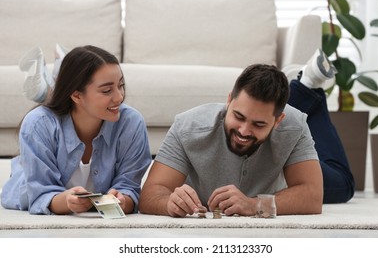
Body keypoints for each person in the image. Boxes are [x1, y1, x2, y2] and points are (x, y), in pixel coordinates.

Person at [139, 49, 355, 217]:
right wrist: (168, 203)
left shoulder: (294, 124)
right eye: (238, 117)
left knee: (344, 185)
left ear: (278, 120)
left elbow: (313, 197)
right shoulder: (188, 127)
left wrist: (254, 205)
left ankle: (307, 87)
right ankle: (306, 85)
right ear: (229, 99)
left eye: (258, 124)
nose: (243, 131)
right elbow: (150, 194)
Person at [1, 45, 152, 215]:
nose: (119, 97)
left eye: (121, 85)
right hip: (27, 186)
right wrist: (66, 202)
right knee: (46, 114)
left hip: (71, 100)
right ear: (77, 95)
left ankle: (56, 79)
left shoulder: (131, 122)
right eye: (107, 90)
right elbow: (39, 194)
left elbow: (129, 188)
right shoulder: (38, 123)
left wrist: (124, 200)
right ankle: (51, 86)